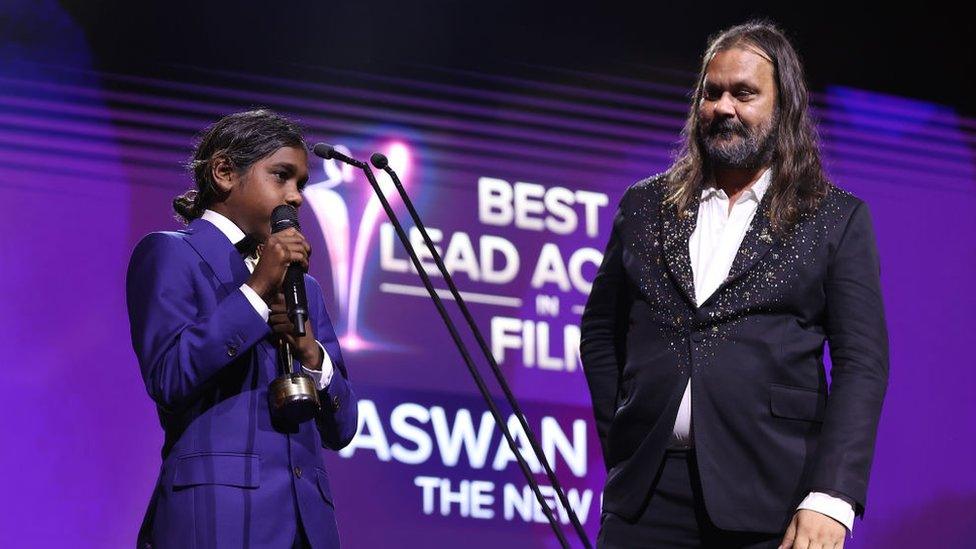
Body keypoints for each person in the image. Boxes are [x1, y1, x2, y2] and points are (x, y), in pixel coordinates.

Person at [580, 21, 888, 548]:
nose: (725, 107)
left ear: (783, 105)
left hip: (773, 500)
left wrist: (831, 496)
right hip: (645, 501)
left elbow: (862, 364)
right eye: (712, 92)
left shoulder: (833, 219)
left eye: (744, 93)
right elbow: (599, 334)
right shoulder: (645, 205)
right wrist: (629, 438)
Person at [126, 109, 358, 548]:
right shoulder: (172, 254)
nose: (296, 196)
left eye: (302, 184)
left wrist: (312, 354)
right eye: (281, 176)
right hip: (218, 519)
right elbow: (170, 375)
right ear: (225, 172)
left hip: (307, 529)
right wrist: (256, 291)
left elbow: (342, 428)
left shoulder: (305, 286)